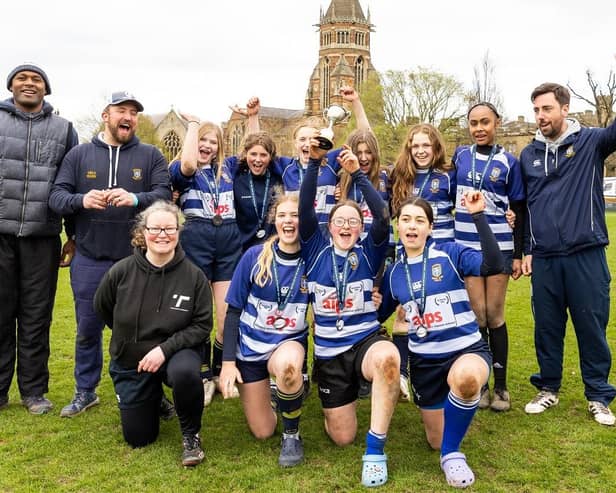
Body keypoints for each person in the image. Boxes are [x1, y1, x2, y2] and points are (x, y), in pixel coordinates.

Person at [49, 91, 171, 417]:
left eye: (133, 112)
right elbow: (57, 197)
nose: (128, 117)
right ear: (106, 115)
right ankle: (85, 392)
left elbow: (163, 195)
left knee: (142, 332)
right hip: (89, 258)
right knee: (88, 329)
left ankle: (151, 393)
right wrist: (81, 201)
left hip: (136, 260)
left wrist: (134, 199)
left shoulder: (150, 156)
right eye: (122, 111)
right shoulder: (79, 155)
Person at [379, 194, 504, 489]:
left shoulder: (450, 253)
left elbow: (494, 264)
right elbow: (375, 315)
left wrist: (478, 216)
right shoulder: (395, 274)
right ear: (398, 226)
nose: (412, 226)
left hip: (465, 349)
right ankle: (454, 413)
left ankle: (452, 454)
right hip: (425, 362)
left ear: (430, 228)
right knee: (435, 439)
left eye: (420, 221)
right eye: (406, 220)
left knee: (467, 379)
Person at [300, 138, 399, 488]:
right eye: (339, 220)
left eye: (353, 222)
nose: (346, 226)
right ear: (329, 227)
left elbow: (383, 216)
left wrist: (357, 175)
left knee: (388, 358)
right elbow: (304, 210)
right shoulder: (313, 249)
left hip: (365, 340)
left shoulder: (369, 253)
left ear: (360, 228)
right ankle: (354, 392)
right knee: (341, 436)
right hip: (330, 353)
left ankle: (375, 451)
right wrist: (314, 163)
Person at [520, 82, 616, 425]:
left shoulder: (592, 141)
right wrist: (526, 250)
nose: (541, 116)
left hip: (585, 253)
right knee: (546, 327)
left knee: (591, 325)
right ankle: (548, 388)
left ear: (564, 108)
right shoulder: (528, 154)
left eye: (547, 109)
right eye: (536, 110)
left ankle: (598, 395)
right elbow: (524, 207)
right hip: (545, 257)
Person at [93, 201, 211, 466]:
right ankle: (154, 397)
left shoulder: (194, 277)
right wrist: (131, 340)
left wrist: (163, 350)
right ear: (143, 233)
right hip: (133, 360)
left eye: (169, 228)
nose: (162, 235)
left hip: (177, 353)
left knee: (184, 373)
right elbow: (103, 308)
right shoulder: (121, 272)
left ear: (178, 232)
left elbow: (202, 326)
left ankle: (191, 436)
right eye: (155, 228)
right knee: (139, 438)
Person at [0, 63, 78, 414]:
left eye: (36, 80)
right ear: (11, 86)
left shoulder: (63, 129)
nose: (29, 84)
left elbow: (72, 185)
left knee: (36, 316)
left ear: (46, 90)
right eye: (22, 79)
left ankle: (33, 392)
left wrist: (72, 236)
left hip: (41, 235)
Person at [169, 104, 257, 403]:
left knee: (225, 314)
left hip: (228, 242)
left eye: (212, 141)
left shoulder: (229, 168)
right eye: (202, 140)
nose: (207, 146)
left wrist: (252, 118)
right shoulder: (180, 169)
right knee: (200, 314)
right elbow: (189, 165)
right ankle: (203, 374)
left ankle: (222, 371)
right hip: (196, 239)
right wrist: (193, 124)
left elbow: (255, 146)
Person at [219, 194, 309, 467]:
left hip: (287, 342)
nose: (289, 221)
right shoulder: (254, 257)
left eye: (295, 215)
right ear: (274, 220)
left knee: (290, 368)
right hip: (250, 348)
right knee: (263, 431)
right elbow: (233, 311)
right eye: (282, 215)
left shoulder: (312, 260)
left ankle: (292, 434)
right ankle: (276, 397)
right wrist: (227, 363)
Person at [452, 102, 525, 412]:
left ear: (497, 123)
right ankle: (480, 384)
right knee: (476, 314)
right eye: (473, 123)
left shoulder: (510, 161)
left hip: (499, 245)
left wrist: (519, 254)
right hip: (466, 243)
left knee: (494, 313)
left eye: (485, 122)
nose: (479, 128)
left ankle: (502, 386)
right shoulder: (459, 157)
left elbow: (519, 208)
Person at [389, 123, 456, 402]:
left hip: (441, 256)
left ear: (435, 147)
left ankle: (447, 372)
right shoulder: (399, 176)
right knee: (406, 314)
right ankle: (404, 374)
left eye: (425, 145)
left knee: (441, 314)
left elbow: (465, 207)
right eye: (415, 146)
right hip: (409, 254)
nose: (420, 151)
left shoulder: (449, 176)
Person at [272, 86, 371, 230]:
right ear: (295, 142)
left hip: (326, 234)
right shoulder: (285, 165)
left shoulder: (331, 160)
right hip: (297, 234)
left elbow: (365, 137)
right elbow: (256, 153)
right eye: (302, 139)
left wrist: (355, 102)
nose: (308, 144)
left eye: (313, 139)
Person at [229, 129, 282, 251]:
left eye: (263, 155)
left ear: (270, 157)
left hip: (273, 247)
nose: (258, 159)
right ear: (246, 154)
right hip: (243, 249)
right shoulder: (237, 178)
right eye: (253, 154)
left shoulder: (279, 178)